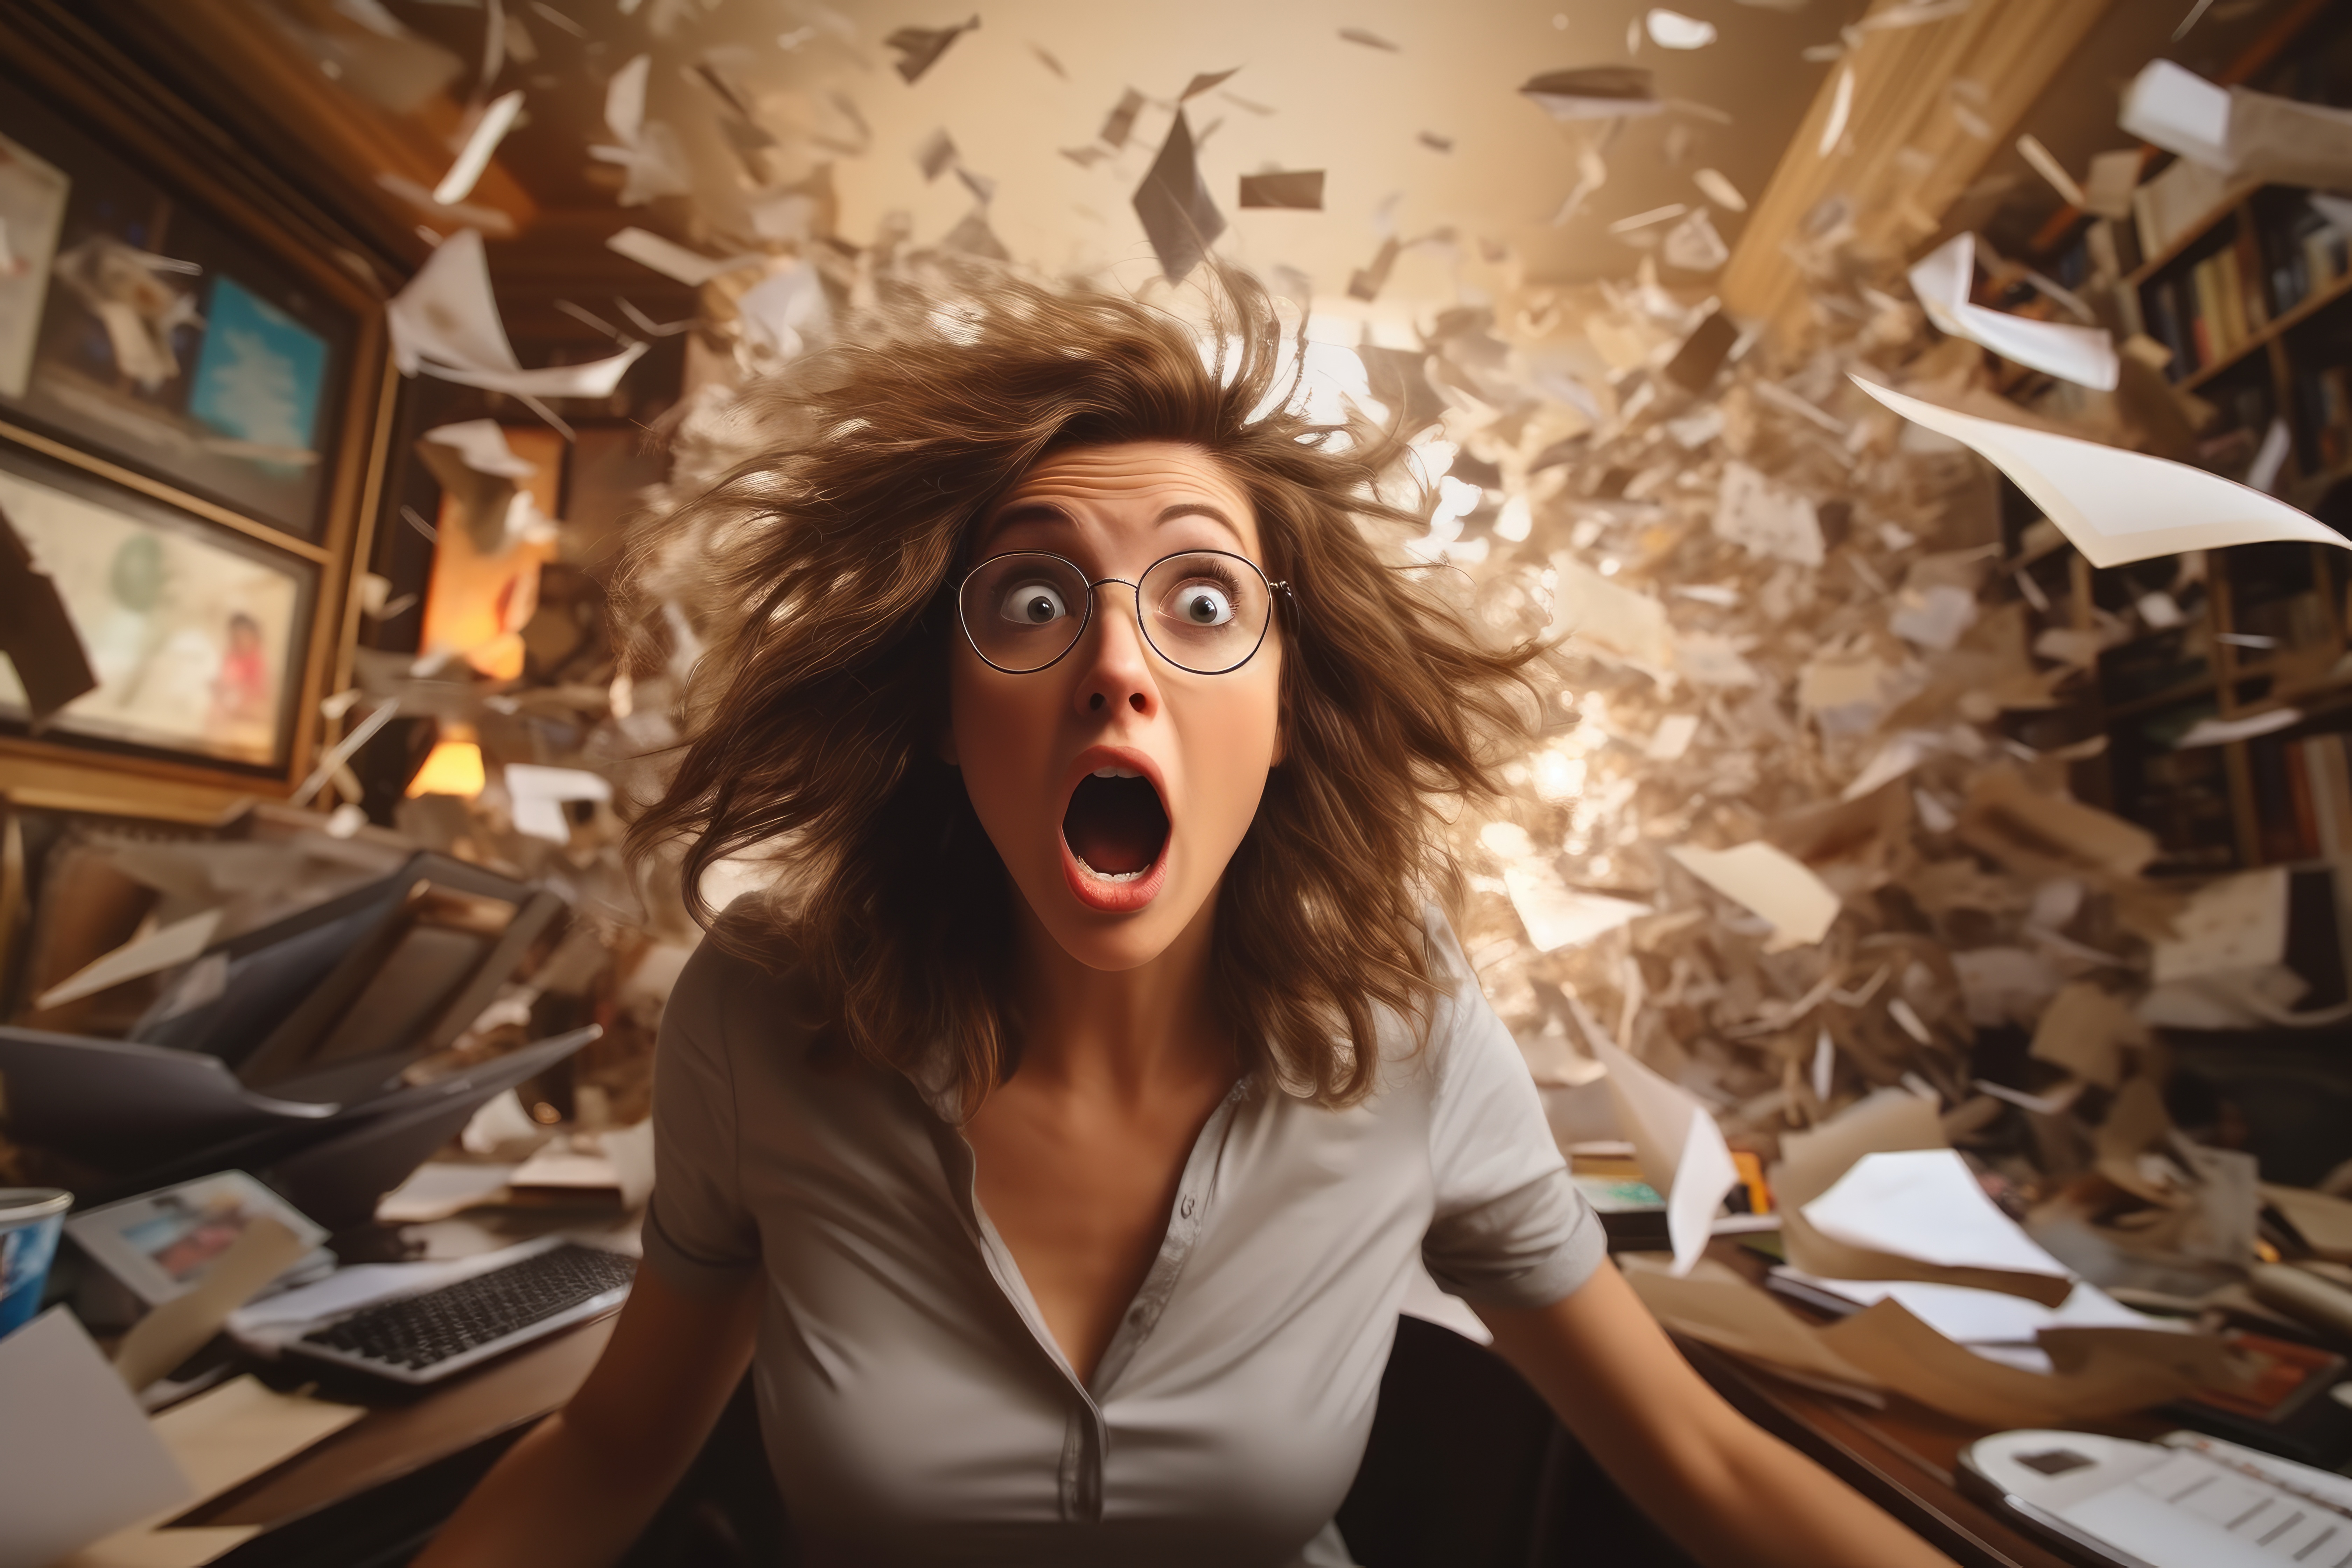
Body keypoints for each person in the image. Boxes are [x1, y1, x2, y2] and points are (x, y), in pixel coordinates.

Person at [416, 267, 1955, 1568]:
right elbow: (612, 1444)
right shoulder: (760, 1014)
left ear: (1285, 709)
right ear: (947, 717)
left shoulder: (1407, 1023)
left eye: (1203, 602)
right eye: (1031, 601)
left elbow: (1705, 1458)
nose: (1116, 663)